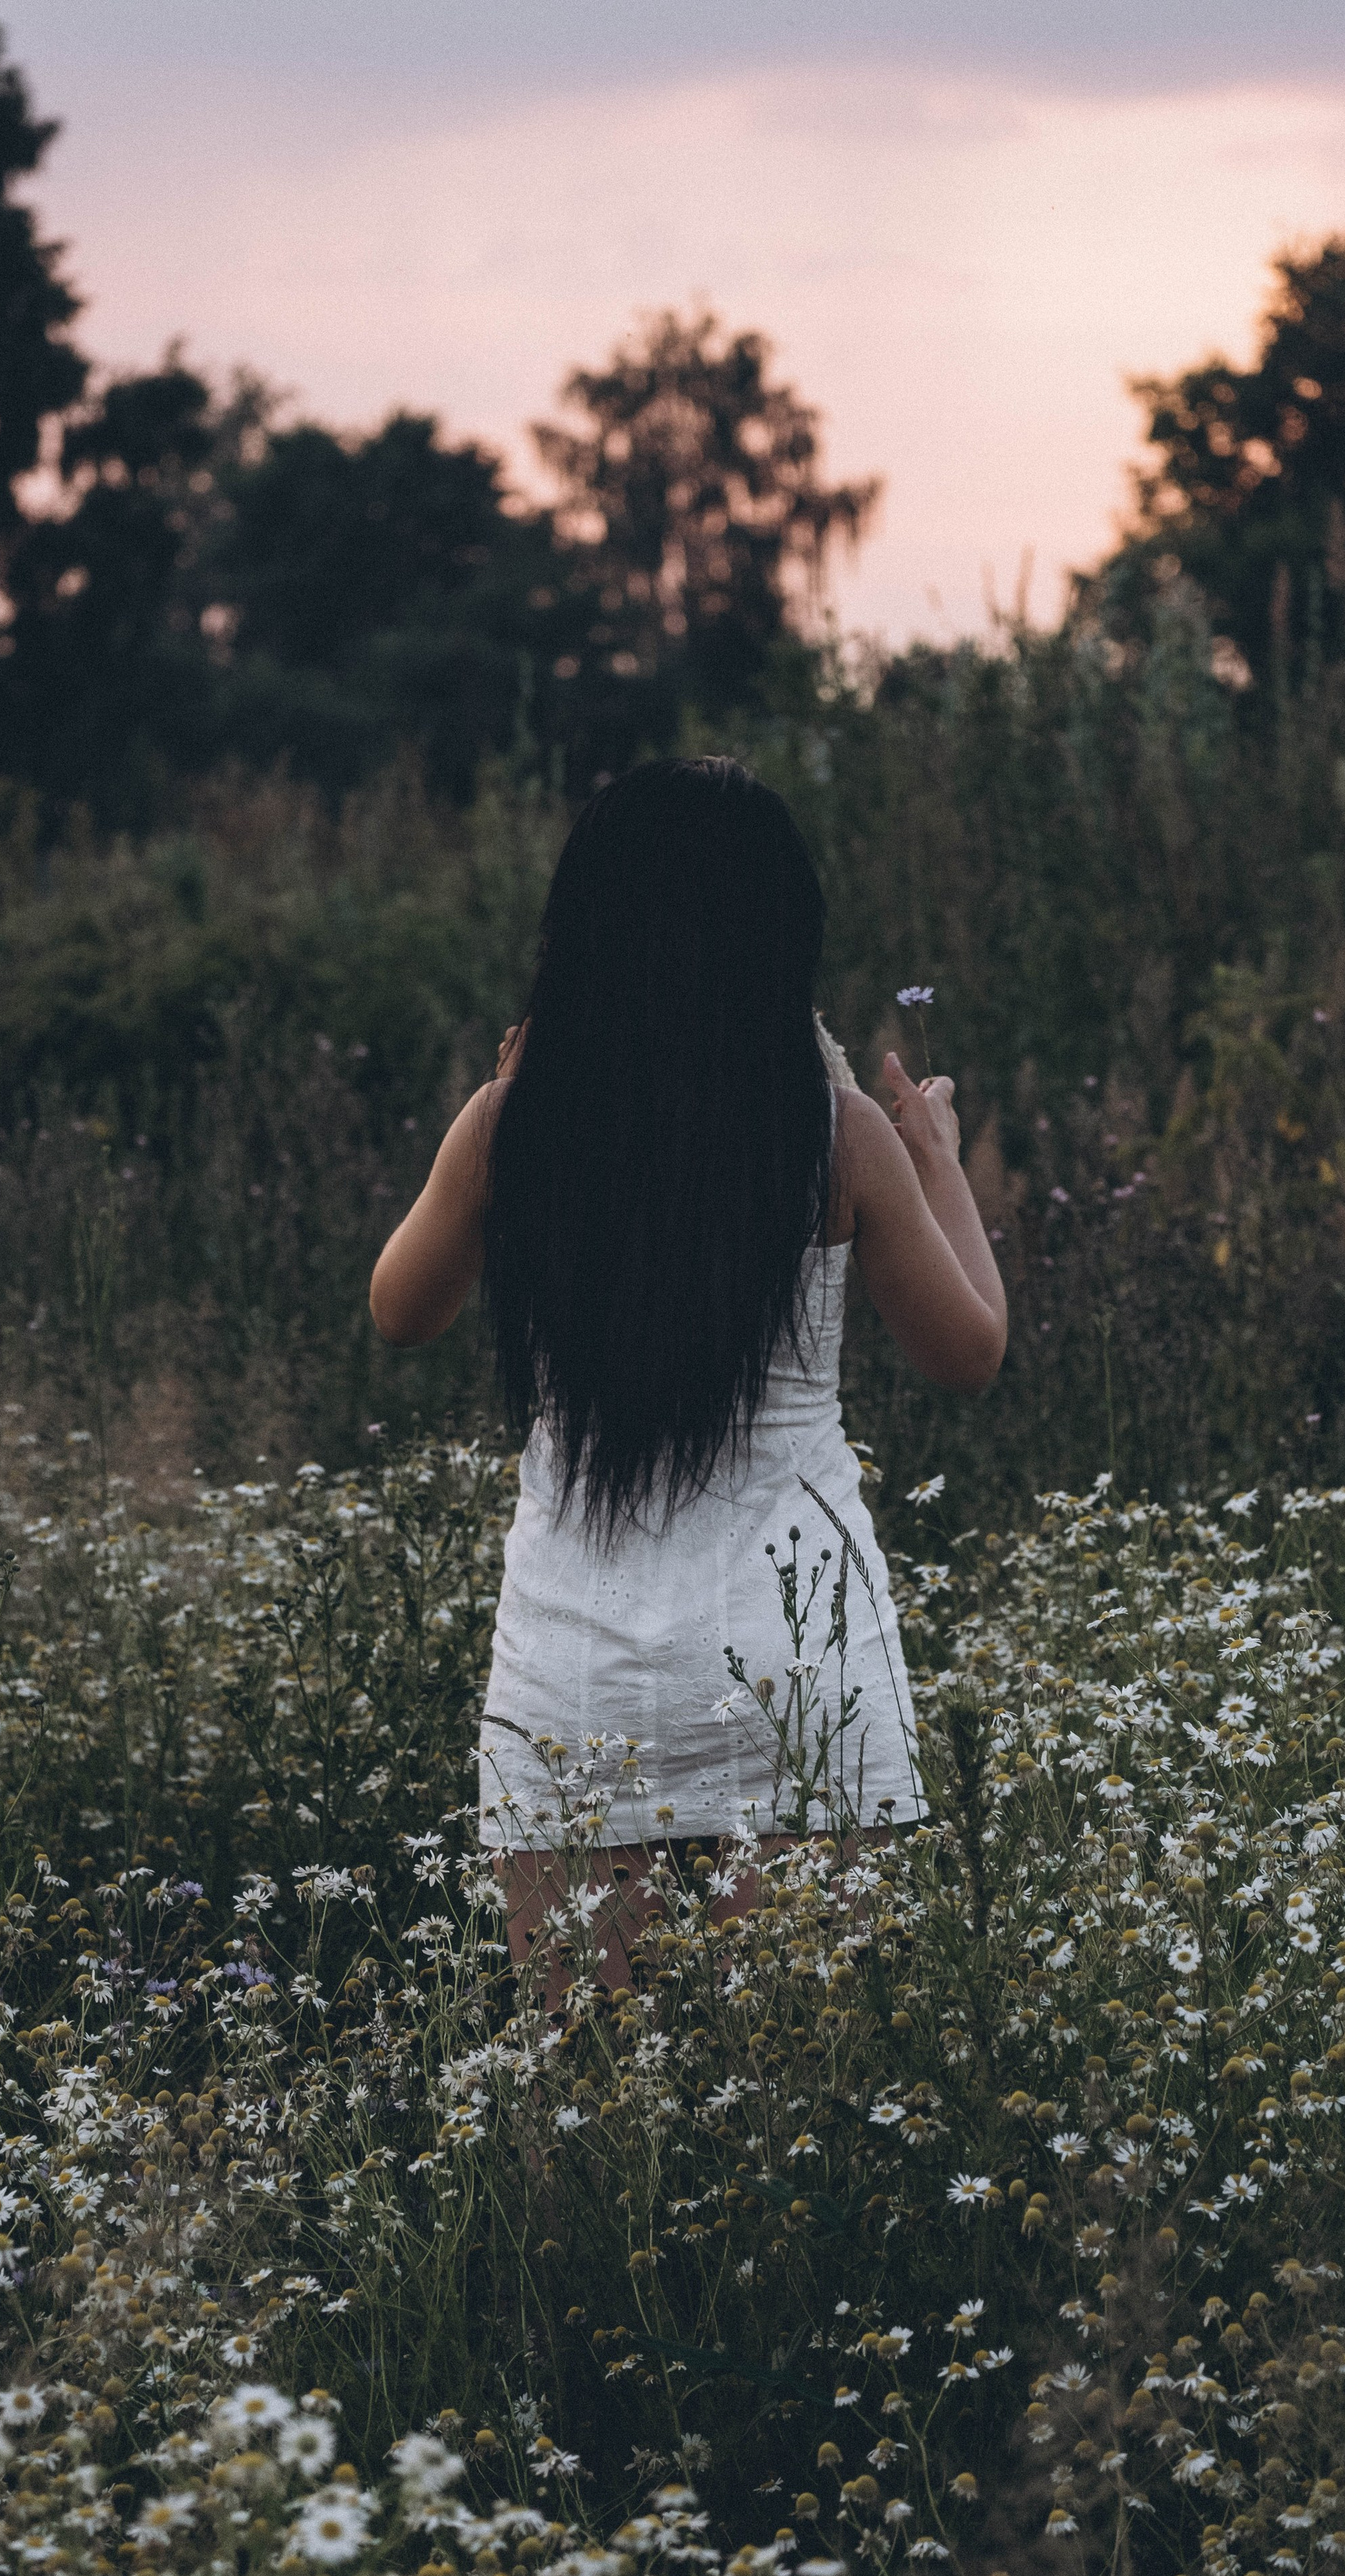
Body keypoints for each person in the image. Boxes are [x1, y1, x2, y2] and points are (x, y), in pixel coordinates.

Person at [370, 755, 1005, 1997]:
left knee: (592, 2119)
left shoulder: (514, 1125)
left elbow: (402, 1311)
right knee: (807, 2130)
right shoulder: (839, 1138)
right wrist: (938, 1157)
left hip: (579, 1669)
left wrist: (506, 1107)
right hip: (799, 1657)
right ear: (778, 939)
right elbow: (969, 1352)